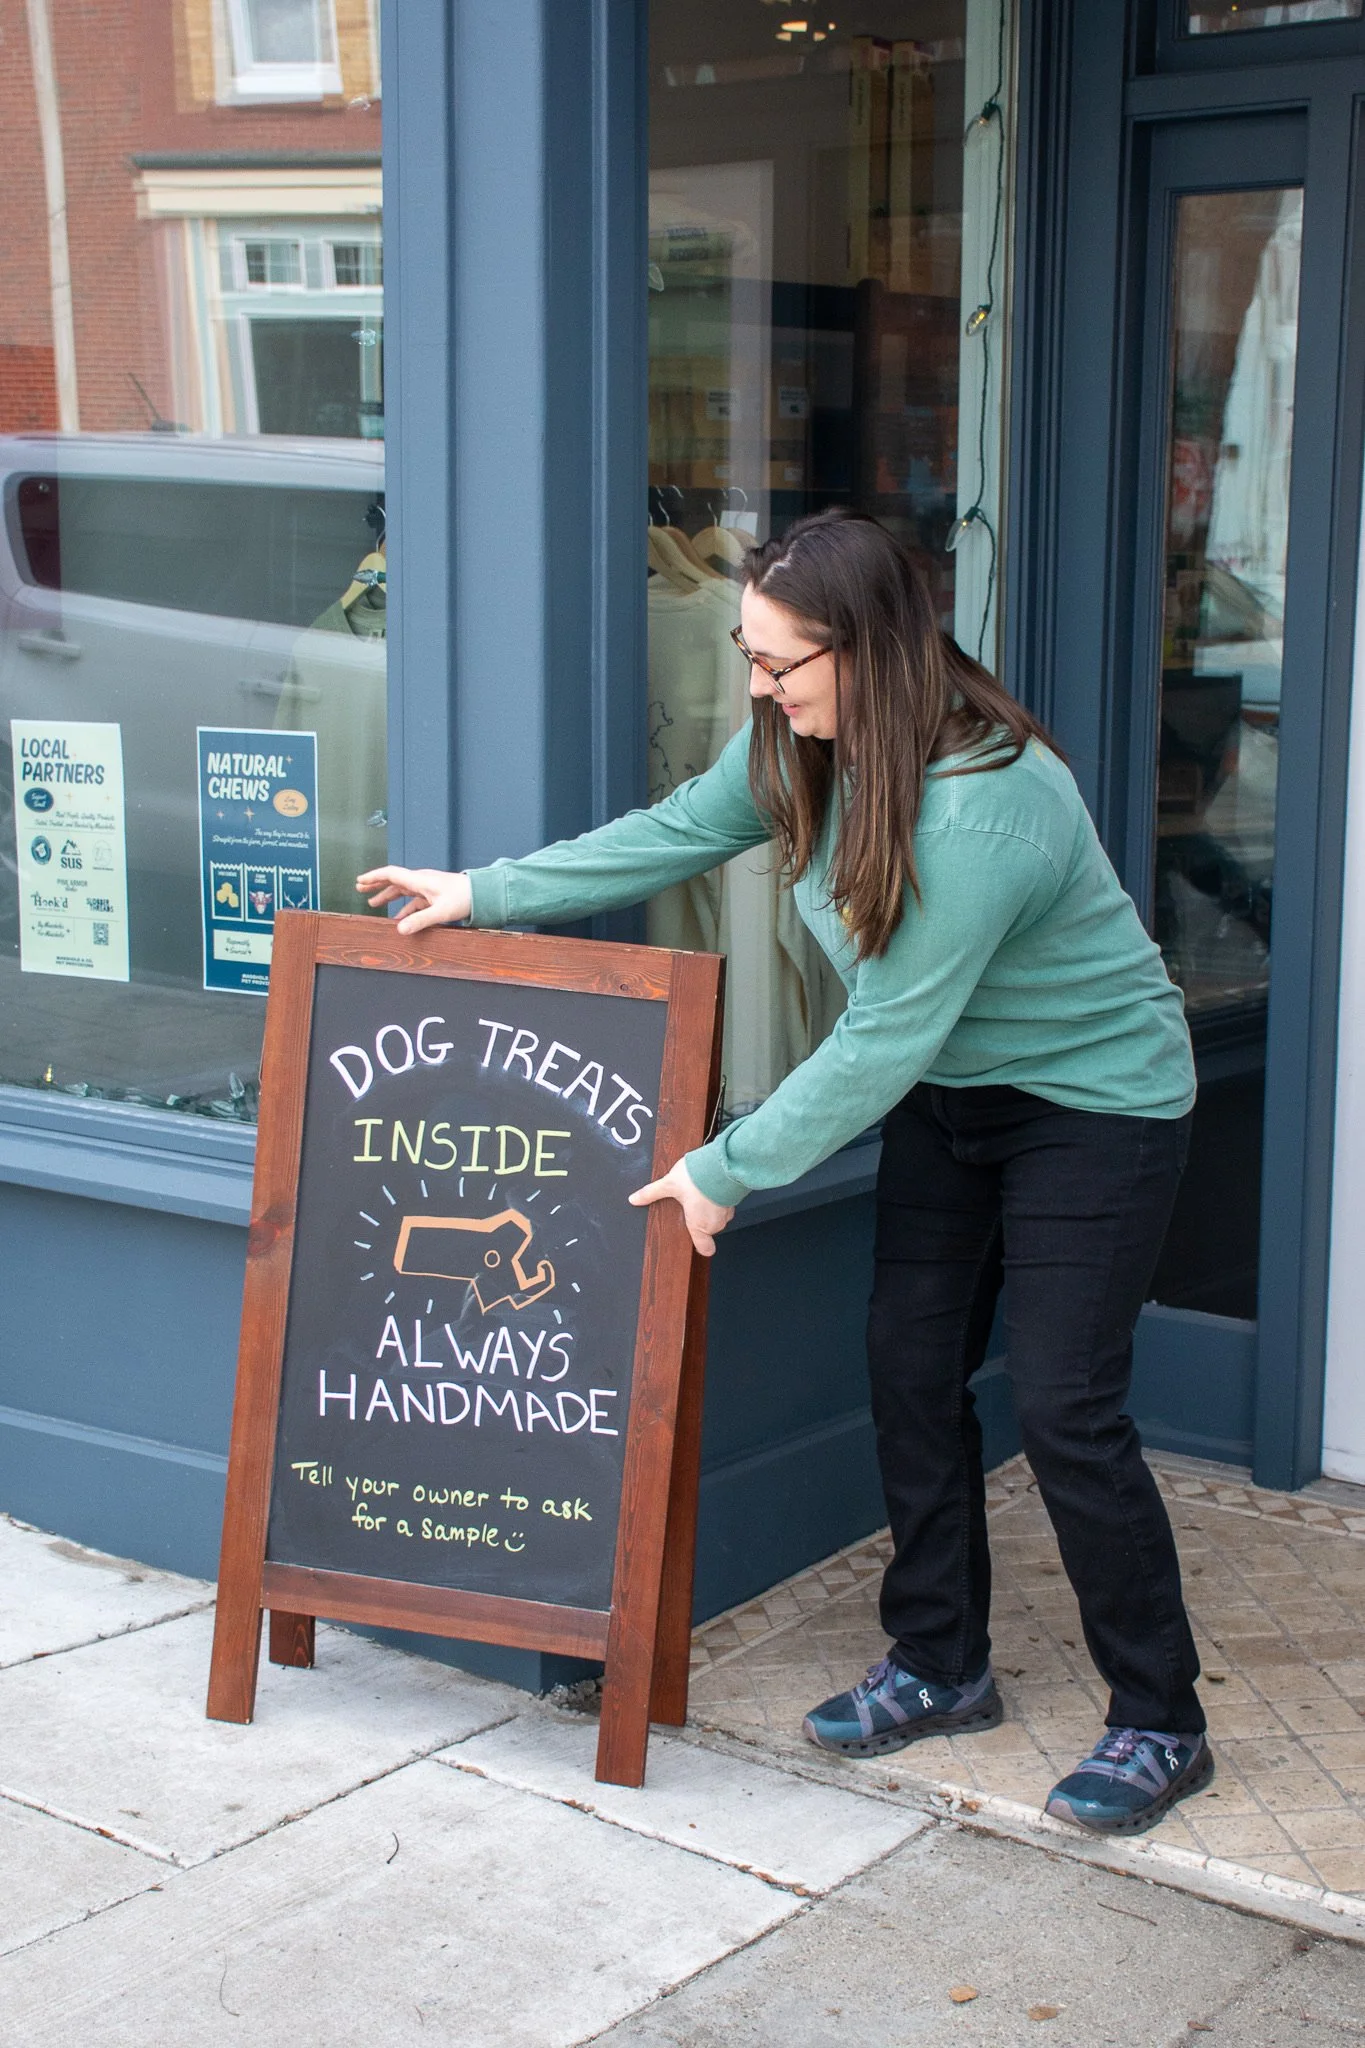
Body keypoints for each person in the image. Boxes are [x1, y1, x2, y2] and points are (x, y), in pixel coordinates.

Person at [357, 507, 1211, 1838]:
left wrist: (723, 1169)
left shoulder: (990, 802)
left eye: (779, 664)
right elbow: (670, 834)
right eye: (751, 661)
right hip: (949, 1099)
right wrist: (486, 891)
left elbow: (879, 1038)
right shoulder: (802, 749)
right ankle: (941, 1663)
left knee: (1064, 1408)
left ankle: (1160, 1719)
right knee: (909, 1375)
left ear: (869, 648)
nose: (758, 688)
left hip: (1091, 1109)